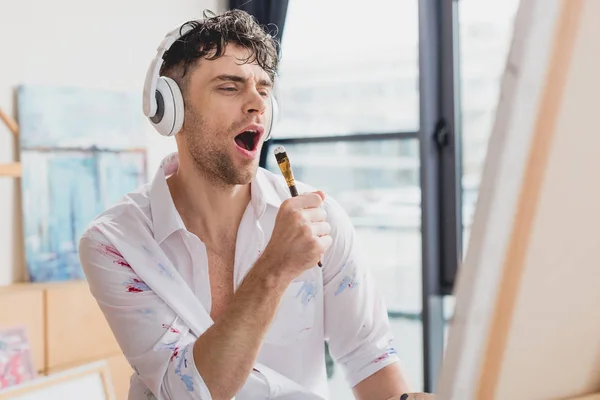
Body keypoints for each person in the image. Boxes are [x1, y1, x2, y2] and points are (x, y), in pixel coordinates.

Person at [79, 8, 429, 400]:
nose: (257, 104)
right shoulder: (115, 242)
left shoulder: (320, 218)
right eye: (230, 87)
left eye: (264, 89)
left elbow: (371, 356)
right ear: (170, 109)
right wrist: (275, 268)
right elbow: (188, 391)